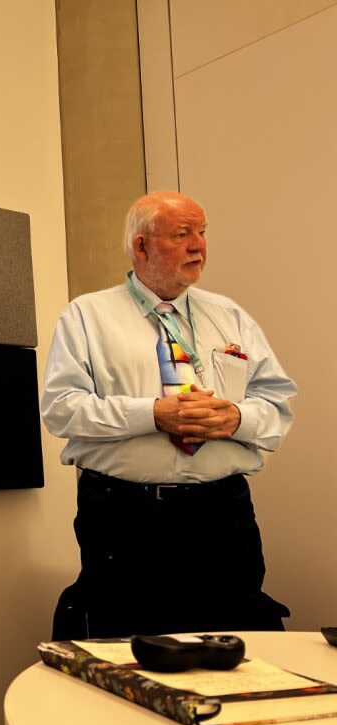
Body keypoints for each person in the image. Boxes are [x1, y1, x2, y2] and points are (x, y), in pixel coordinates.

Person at [40, 191, 296, 639]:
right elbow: (62, 410)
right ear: (141, 246)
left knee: (235, 655)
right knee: (129, 653)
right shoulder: (87, 316)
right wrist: (153, 415)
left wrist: (235, 420)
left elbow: (276, 404)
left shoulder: (230, 316)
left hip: (222, 514)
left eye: (202, 232)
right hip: (124, 517)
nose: (199, 245)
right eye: (182, 234)